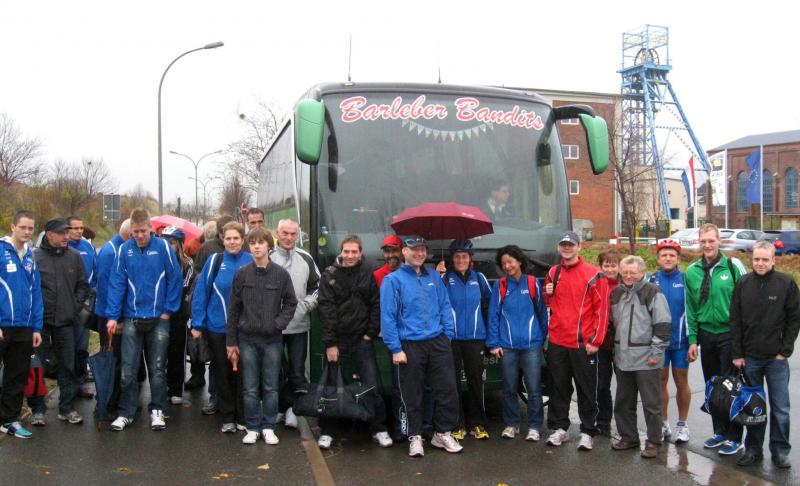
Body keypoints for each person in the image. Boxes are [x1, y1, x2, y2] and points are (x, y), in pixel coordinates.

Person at [381, 235, 462, 457]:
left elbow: (445, 305)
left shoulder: (434, 277)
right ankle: (414, 437)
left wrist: (447, 335)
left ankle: (442, 433)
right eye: (414, 249)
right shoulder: (392, 280)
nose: (419, 253)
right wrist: (395, 348)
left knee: (447, 390)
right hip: (409, 344)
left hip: (437, 341)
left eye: (423, 249)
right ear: (404, 252)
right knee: (411, 393)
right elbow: (387, 317)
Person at [106, 208, 183, 432]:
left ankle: (157, 410)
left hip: (159, 318)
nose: (139, 235)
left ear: (151, 228)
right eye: (135, 231)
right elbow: (117, 283)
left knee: (157, 369)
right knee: (128, 370)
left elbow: (175, 279)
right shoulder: (124, 250)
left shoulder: (163, 248)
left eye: (143, 231)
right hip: (132, 317)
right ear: (130, 230)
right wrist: (113, 316)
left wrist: (168, 310)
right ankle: (126, 412)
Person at [316, 234, 392, 449]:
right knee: (332, 386)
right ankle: (328, 430)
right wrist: (331, 343)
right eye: (346, 251)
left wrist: (369, 334)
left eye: (354, 252)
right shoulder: (329, 275)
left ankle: (378, 428)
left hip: (362, 340)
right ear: (341, 252)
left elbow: (375, 305)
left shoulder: (367, 273)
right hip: (337, 342)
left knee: (371, 385)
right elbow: (326, 310)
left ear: (360, 253)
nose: (350, 256)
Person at [730, 240, 800, 469]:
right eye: (756, 259)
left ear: (773, 260)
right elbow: (735, 320)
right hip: (749, 358)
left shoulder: (786, 283)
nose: (760, 263)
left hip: (775, 359)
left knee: (781, 408)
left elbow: (794, 319)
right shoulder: (743, 283)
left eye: (764, 259)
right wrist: (737, 353)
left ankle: (780, 451)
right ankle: (753, 449)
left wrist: (785, 350)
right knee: (754, 408)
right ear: (752, 260)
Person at [226, 227, 297, 445]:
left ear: (269, 245)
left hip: (272, 340)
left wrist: (278, 324)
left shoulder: (281, 274)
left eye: (261, 242)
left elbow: (291, 302)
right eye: (253, 243)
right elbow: (234, 309)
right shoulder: (242, 274)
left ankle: (269, 427)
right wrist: (231, 342)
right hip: (247, 339)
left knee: (271, 387)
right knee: (249, 387)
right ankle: (252, 427)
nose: (256, 247)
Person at [543, 230, 609, 451]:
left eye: (571, 245)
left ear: (579, 247)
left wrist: (596, 340)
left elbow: (602, 310)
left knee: (586, 389)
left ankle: (588, 431)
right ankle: (560, 428)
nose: (567, 248)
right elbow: (549, 303)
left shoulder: (594, 275)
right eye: (563, 245)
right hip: (558, 341)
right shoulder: (553, 272)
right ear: (558, 248)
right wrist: (547, 293)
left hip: (582, 344)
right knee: (558, 387)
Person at [685, 223, 746, 456]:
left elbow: (745, 301)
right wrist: (693, 340)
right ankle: (719, 432)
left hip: (729, 334)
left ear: (719, 241)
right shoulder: (692, 271)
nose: (707, 245)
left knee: (731, 387)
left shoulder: (732, 266)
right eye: (703, 241)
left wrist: (743, 340)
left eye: (711, 240)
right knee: (713, 386)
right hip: (706, 334)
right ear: (699, 242)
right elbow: (691, 309)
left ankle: (735, 436)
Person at [191, 221, 253, 433]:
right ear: (222, 240)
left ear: (242, 240)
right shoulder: (214, 261)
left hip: (244, 329)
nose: (232, 242)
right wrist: (198, 323)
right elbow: (201, 292)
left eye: (236, 238)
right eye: (228, 238)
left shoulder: (251, 260)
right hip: (217, 327)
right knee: (222, 373)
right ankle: (227, 416)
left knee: (244, 374)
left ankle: (242, 416)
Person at [29, 218, 90, 425]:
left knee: (67, 365)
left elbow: (83, 285)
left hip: (66, 320)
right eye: (62, 233)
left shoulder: (74, 256)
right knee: (37, 366)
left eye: (67, 232)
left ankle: (66, 407)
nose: (66, 236)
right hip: (40, 323)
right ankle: (38, 409)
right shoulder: (35, 257)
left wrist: (74, 305)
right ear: (49, 235)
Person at [610, 256, 671, 458]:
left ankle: (654, 442)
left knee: (651, 404)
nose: (628, 276)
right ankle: (629, 437)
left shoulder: (652, 291)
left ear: (642, 272)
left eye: (633, 273)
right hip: (623, 359)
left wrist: (657, 353)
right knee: (623, 402)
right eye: (625, 272)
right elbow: (613, 325)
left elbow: (663, 324)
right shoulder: (616, 292)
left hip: (647, 358)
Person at [487, 245, 548, 442]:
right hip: (507, 347)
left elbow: (542, 313)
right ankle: (511, 424)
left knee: (534, 389)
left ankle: (534, 426)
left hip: (531, 346)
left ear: (519, 261)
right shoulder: (500, 285)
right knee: (509, 388)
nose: (507, 266)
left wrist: (541, 339)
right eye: (503, 263)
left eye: (510, 261)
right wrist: (494, 343)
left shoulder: (532, 283)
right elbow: (493, 315)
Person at [434, 239, 492, 440]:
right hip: (452, 339)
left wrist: (490, 337)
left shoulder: (480, 278)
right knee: (453, 383)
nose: (461, 260)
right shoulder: (444, 278)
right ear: (452, 259)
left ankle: (477, 424)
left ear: (470, 258)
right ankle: (457, 424)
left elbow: (489, 307)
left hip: (476, 338)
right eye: (457, 257)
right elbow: (434, 302)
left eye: (464, 257)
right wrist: (438, 276)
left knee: (476, 382)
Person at [270, 219, 320, 429]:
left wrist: (306, 305)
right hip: (272, 327)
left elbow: (318, 286)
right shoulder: (268, 256)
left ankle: (292, 409)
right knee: (275, 370)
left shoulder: (306, 258)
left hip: (298, 325)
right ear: (277, 233)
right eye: (285, 233)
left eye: (293, 234)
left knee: (297, 371)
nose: (289, 238)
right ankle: (278, 408)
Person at [0, 211, 43, 439]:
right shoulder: (1, 250)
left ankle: (9, 420)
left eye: (31, 228)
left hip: (24, 327)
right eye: (23, 227)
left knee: (17, 376)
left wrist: (36, 327)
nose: (27, 232)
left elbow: (35, 292)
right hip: (2, 325)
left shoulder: (30, 256)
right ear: (13, 227)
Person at [650, 239, 691, 444]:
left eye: (672, 255)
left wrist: (694, 341)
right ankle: (663, 422)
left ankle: (682, 424)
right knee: (660, 381)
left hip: (681, 341)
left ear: (678, 259)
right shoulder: (650, 280)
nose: (667, 258)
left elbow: (693, 311)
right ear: (658, 259)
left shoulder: (686, 280)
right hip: (659, 342)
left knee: (681, 381)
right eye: (664, 255)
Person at [92, 218, 131, 421]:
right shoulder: (111, 252)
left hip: (117, 314)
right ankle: (105, 405)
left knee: (120, 361)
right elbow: (106, 287)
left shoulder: (121, 248)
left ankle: (116, 401)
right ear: (129, 234)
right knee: (110, 363)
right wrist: (114, 317)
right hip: (110, 316)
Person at [160, 226, 195, 405]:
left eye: (172, 242)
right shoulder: (157, 259)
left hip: (178, 314)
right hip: (159, 312)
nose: (168, 245)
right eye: (164, 241)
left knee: (176, 351)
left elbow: (183, 288)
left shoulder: (187, 263)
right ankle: (160, 388)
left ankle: (175, 388)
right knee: (159, 353)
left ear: (180, 244)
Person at [66, 215, 97, 399]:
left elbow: (96, 270)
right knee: (66, 348)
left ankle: (80, 383)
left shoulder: (88, 246)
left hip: (85, 304)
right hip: (66, 304)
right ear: (67, 229)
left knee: (82, 346)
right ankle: (67, 387)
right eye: (75, 228)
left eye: (81, 228)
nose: (79, 231)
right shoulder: (63, 247)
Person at [596, 248, 620, 437]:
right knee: (601, 384)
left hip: (622, 342)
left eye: (613, 265)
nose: (610, 269)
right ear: (600, 267)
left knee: (625, 387)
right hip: (602, 341)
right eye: (606, 265)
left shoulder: (626, 284)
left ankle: (625, 425)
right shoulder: (596, 284)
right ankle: (603, 421)